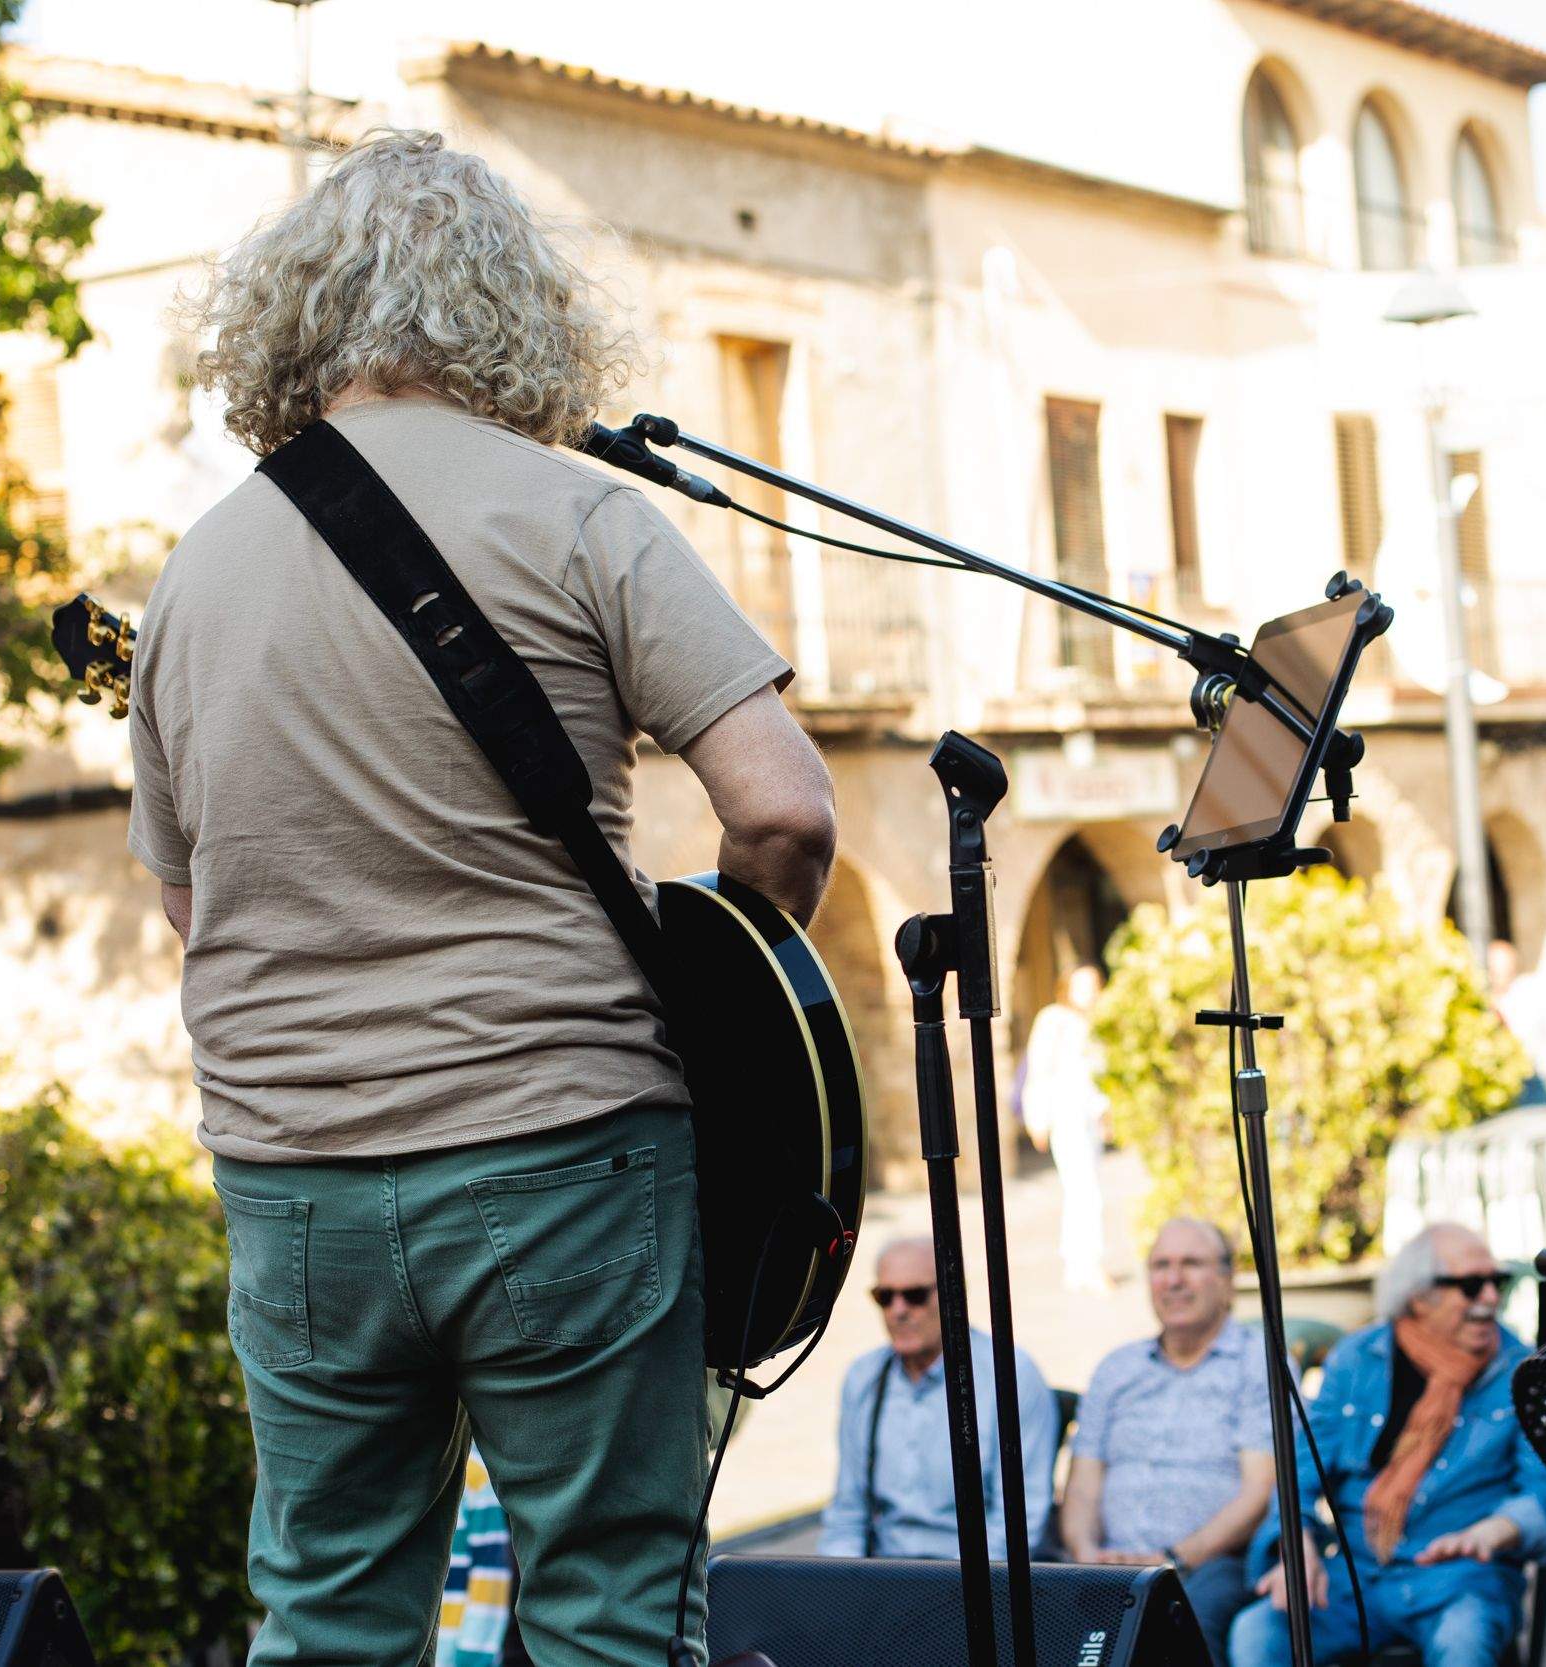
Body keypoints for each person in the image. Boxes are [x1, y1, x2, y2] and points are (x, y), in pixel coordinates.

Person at [129, 132, 837, 1667]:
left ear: (291, 314)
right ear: (515, 304)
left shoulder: (192, 575)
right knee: (607, 1608)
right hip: (560, 1144)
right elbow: (783, 807)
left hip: (296, 1183)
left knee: (326, 1616)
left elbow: (196, 907)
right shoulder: (580, 518)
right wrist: (734, 991)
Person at [1229, 1224, 1546, 1667]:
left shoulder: (1523, 1373)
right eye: (1470, 1285)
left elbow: (1543, 1492)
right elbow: (1301, 1471)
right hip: (1355, 1575)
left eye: (1496, 1282)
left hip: (1458, 1579)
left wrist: (1495, 1530)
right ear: (1419, 1296)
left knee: (1464, 1640)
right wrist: (1297, 1543)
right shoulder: (1356, 1358)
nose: (1490, 1297)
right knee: (1256, 1632)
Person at [1064, 1219, 1277, 1665]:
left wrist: (1173, 1559)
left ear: (1227, 1280)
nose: (1174, 1279)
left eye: (1191, 1264)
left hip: (1211, 1564)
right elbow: (1082, 1485)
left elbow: (1260, 1491)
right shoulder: (1117, 1368)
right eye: (1161, 1266)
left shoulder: (1258, 1363)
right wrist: (1086, 1553)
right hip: (1108, 1562)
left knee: (1185, 1628)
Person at [817, 1236, 1058, 1560]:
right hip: (885, 1573)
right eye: (884, 1297)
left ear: (952, 1294)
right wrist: (841, 1576)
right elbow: (847, 1512)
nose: (898, 1311)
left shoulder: (1008, 1374)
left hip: (975, 1576)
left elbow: (1017, 1522)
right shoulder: (864, 1377)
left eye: (914, 1296)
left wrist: (953, 1586)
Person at [1022, 963, 1112, 1292]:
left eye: (1093, 986)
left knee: (1081, 1191)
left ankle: (1077, 1265)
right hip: (1067, 1118)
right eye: (1081, 986)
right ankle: (1089, 1264)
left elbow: (1099, 1080)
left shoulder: (1097, 1025)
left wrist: (1105, 1115)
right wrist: (1038, 1119)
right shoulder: (1054, 1020)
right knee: (1086, 1191)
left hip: (1089, 1119)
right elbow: (1040, 1071)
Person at [1488, 938, 1546, 1109]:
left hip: (1534, 1079)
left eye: (1503, 967)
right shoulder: (1487, 1000)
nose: (1497, 973)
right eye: (1493, 968)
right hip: (1502, 1086)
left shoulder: (1529, 993)